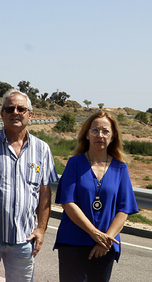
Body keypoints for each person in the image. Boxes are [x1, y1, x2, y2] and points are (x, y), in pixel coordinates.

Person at [0, 89, 58, 282]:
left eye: (21, 109)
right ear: (2, 114)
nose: (15, 112)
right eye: (10, 109)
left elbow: (45, 193)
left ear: (30, 114)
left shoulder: (42, 149)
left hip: (24, 242)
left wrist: (40, 229)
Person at [54, 111, 138, 281]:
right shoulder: (74, 163)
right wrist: (94, 233)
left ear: (113, 136)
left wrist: (104, 240)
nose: (100, 135)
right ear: (87, 134)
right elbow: (68, 203)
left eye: (105, 131)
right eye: (95, 130)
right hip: (73, 244)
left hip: (105, 248)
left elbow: (124, 209)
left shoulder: (121, 168)